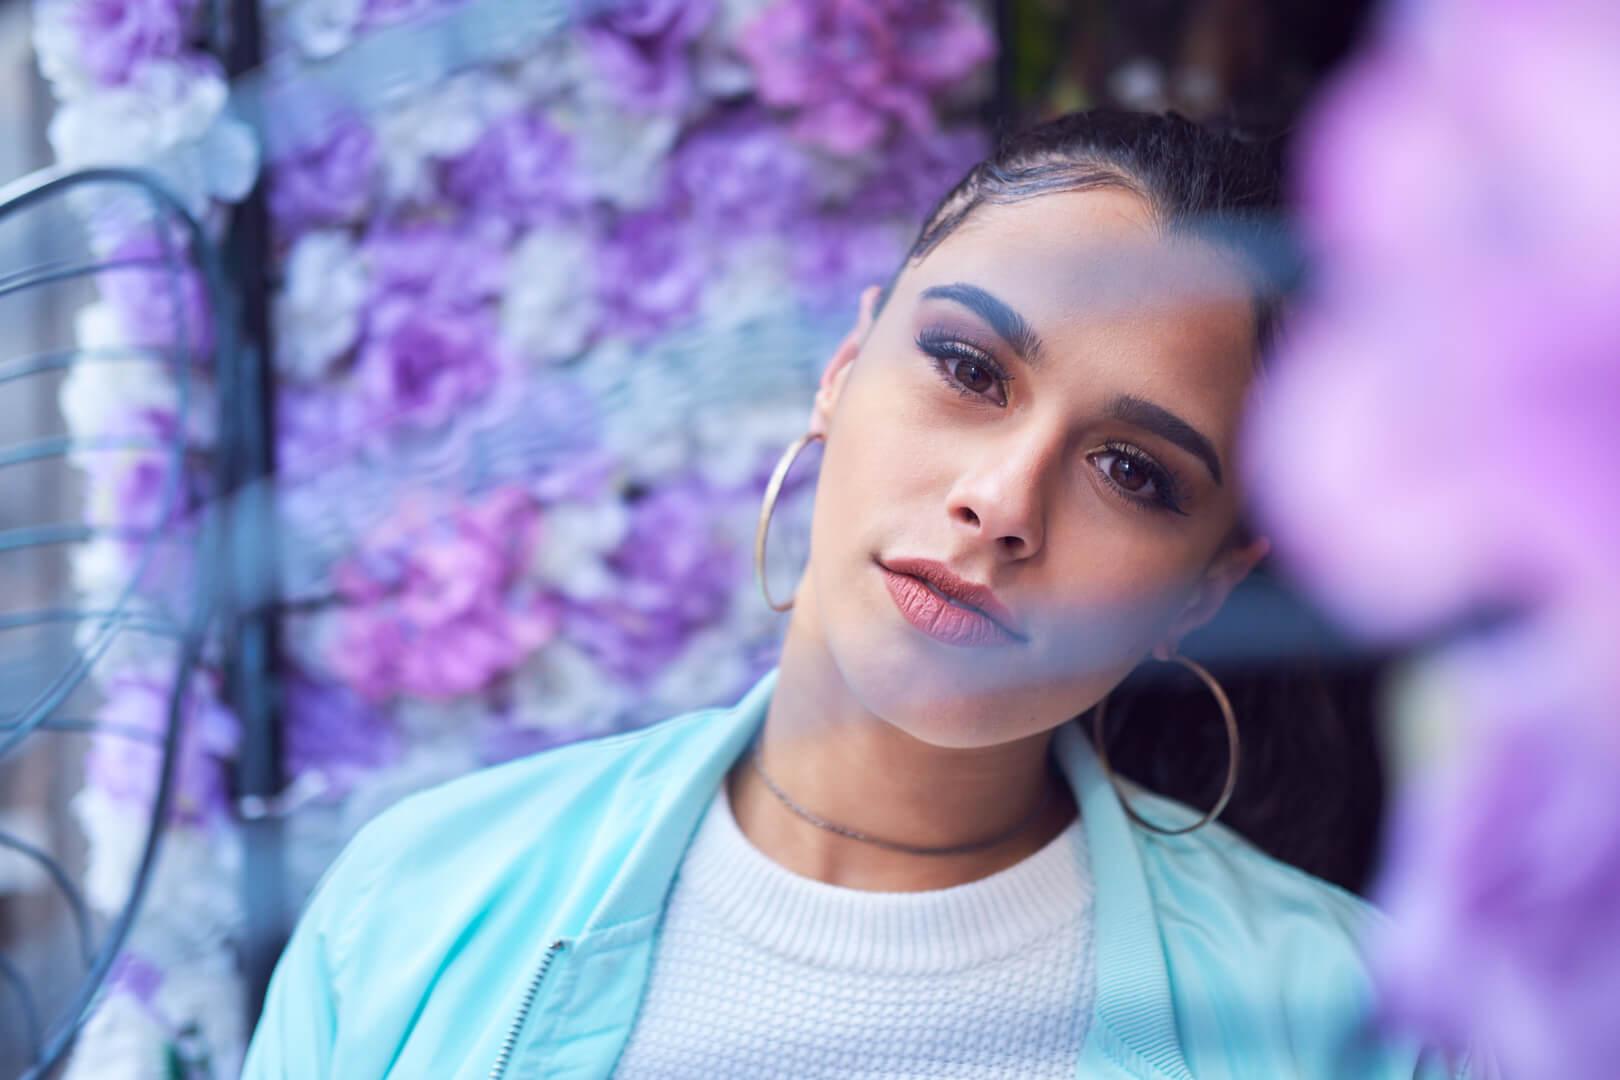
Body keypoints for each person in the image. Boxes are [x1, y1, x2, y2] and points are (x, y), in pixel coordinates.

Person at [240, 109, 1482, 1079]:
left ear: (1207, 586)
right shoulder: (417, 908)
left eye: (1132, 471)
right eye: (966, 366)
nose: (1002, 499)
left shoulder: (1362, 1028)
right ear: (844, 369)